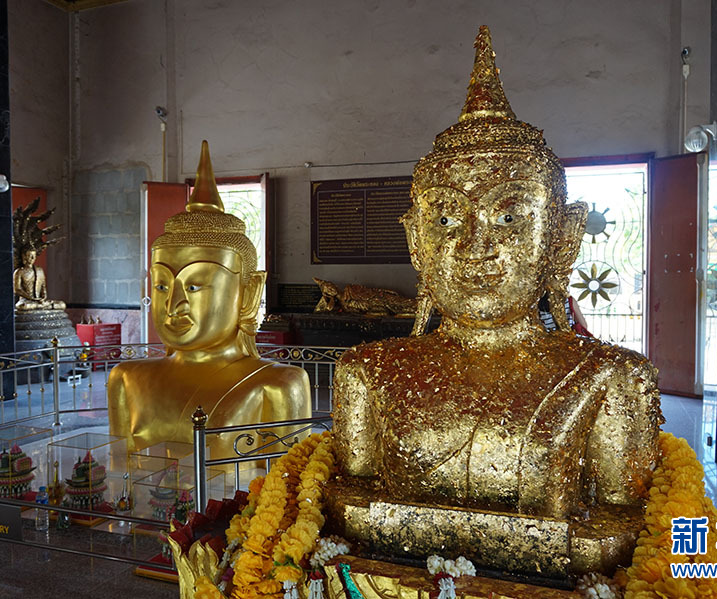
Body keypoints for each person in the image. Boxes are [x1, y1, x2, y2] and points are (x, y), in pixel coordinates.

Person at [329, 26, 661, 576]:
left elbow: (617, 533)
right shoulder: (368, 371)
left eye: (508, 215)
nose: (474, 245)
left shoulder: (613, 379)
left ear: (562, 237)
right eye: (445, 218)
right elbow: (347, 507)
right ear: (416, 242)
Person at [107, 141, 311, 457]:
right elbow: (118, 467)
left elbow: (287, 477)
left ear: (248, 293)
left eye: (194, 287)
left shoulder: (276, 384)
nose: (173, 305)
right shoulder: (127, 378)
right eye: (161, 286)